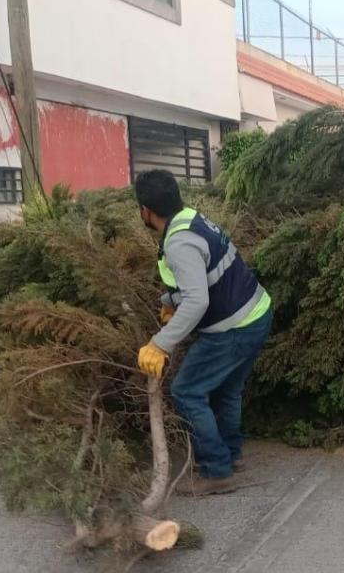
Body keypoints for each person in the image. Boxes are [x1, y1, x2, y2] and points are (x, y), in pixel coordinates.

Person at [134, 169, 273, 496]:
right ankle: (231, 455)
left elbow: (198, 300)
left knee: (187, 391)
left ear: (145, 211)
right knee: (228, 390)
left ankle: (216, 470)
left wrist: (160, 344)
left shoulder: (179, 242)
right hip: (257, 313)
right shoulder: (190, 218)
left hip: (234, 327)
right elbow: (206, 274)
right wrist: (171, 301)